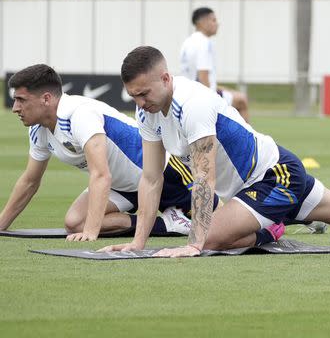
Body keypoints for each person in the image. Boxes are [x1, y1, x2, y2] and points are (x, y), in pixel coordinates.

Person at [101, 46, 330, 257]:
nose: (139, 102)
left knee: (212, 236)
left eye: (144, 93)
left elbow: (203, 177)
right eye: (133, 96)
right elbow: (150, 177)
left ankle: (270, 227)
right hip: (254, 184)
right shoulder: (146, 111)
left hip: (272, 175)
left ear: (165, 78)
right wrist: (138, 243)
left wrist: (194, 244)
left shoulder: (192, 104)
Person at [0, 64, 194, 241]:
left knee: (213, 222)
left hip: (165, 174)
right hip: (123, 186)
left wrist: (91, 232)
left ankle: (174, 214)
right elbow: (30, 181)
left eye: (21, 100)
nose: (16, 108)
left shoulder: (78, 115)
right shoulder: (37, 129)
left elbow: (100, 174)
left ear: (46, 99)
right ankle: (169, 224)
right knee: (74, 222)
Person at [180, 7, 250, 122]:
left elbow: (196, 78)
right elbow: (203, 77)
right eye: (213, 20)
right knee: (242, 101)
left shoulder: (187, 42)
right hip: (201, 97)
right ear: (202, 23)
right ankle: (247, 138)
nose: (217, 24)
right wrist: (210, 104)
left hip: (188, 94)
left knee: (237, 96)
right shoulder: (203, 43)